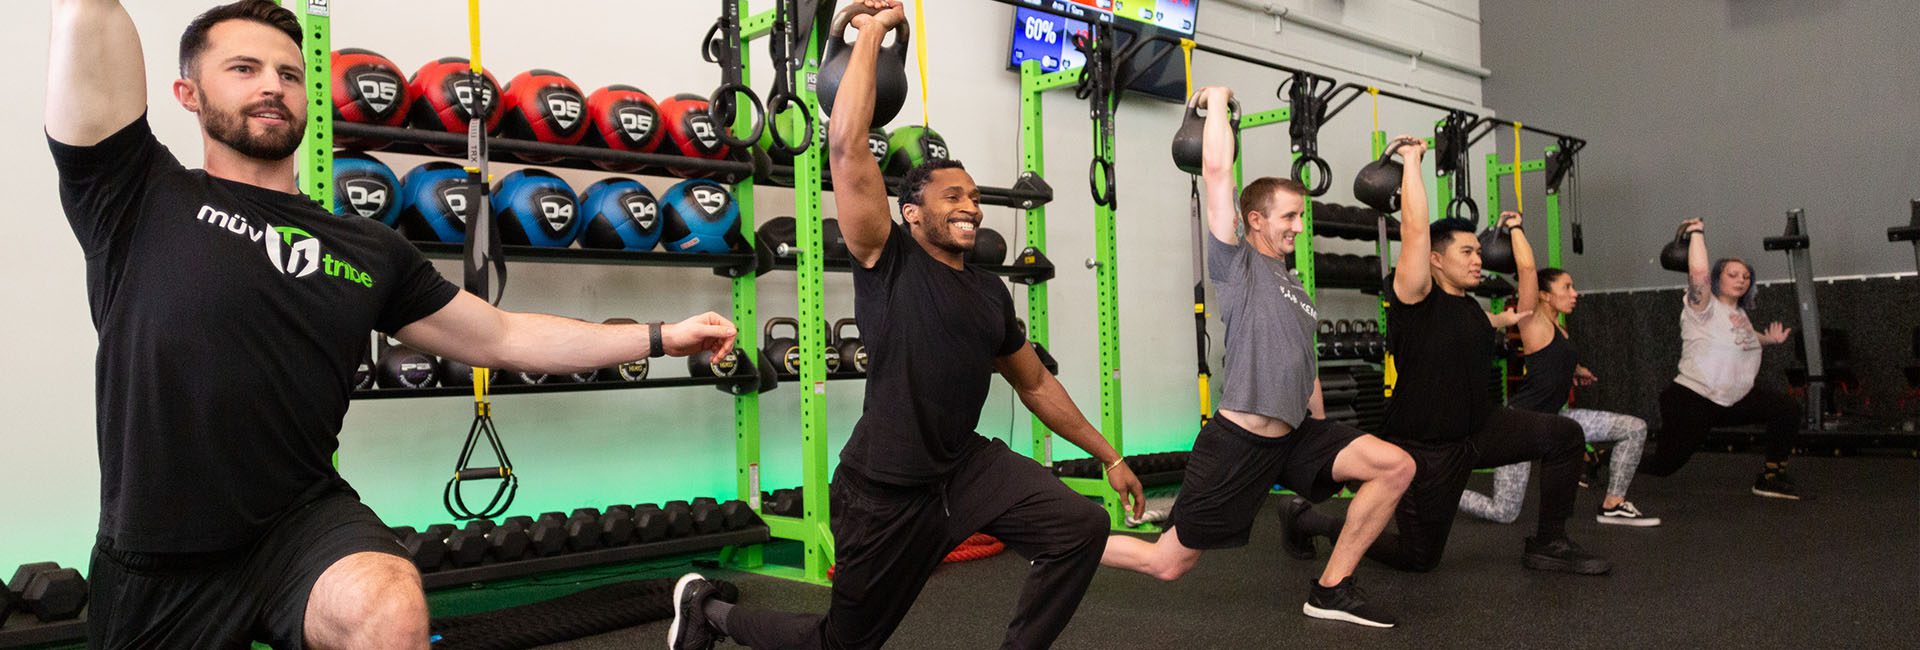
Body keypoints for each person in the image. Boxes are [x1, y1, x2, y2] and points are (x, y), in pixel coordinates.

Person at [45, 2, 740, 647]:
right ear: (187, 94)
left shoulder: (369, 249)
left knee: (387, 603)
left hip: (298, 523)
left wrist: (658, 337)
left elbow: (500, 337)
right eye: (244, 69)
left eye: (290, 73)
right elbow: (90, 19)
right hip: (158, 549)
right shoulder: (135, 195)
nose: (273, 86)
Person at [668, 3, 1145, 648]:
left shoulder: (988, 295)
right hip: (886, 491)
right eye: (953, 197)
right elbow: (844, 142)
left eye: (974, 197)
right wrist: (868, 35)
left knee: (1079, 528)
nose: (971, 206)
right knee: (842, 643)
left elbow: (1034, 385)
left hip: (965, 470)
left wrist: (1108, 454)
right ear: (911, 213)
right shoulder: (885, 259)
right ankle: (709, 613)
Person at [1094, 86, 1414, 628]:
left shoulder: (1298, 289)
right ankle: (1063, 538)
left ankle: (1331, 590)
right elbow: (1217, 174)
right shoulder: (1236, 267)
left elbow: (1302, 365)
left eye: (1300, 216)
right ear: (1255, 221)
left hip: (1294, 436)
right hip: (1239, 443)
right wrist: (1215, 102)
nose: (1297, 225)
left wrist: (1320, 433)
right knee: (1168, 562)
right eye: (1288, 216)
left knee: (1394, 466)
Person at [1278, 137, 1611, 576]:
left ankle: (1550, 542)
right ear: (1434, 260)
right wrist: (1413, 162)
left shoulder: (1471, 308)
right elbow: (1415, 231)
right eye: (1467, 252)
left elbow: (1525, 307)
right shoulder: (1413, 297)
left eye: (1478, 251)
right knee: (1418, 559)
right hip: (1427, 449)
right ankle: (1306, 519)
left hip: (1481, 429)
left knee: (1564, 436)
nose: (1479, 261)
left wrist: (1515, 234)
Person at [1457, 268, 1661, 527]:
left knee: (1633, 428)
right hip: (1519, 426)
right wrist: (1515, 228)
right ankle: (1443, 493)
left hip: (1556, 420)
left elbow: (1552, 358)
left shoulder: (1558, 327)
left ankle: (1613, 504)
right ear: (1544, 295)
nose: (1574, 294)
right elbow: (1528, 269)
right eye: (1566, 287)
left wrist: (1575, 370)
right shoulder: (1533, 320)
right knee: (1503, 512)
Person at [1642, 219, 1803, 499]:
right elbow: (1699, 272)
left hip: (1732, 399)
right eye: (1733, 274)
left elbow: (1744, 338)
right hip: (1694, 399)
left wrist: (1769, 340)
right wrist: (1697, 235)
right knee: (1663, 465)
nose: (1741, 279)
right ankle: (1600, 461)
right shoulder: (1702, 306)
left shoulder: (1739, 314)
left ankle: (1771, 476)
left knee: (1785, 409)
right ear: (1717, 278)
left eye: (1745, 276)